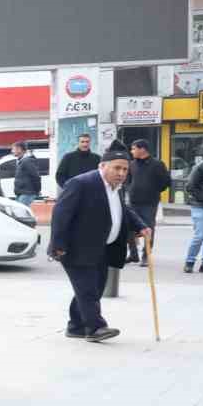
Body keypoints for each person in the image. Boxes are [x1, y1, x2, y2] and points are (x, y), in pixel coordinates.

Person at [50, 146, 149, 342]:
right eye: (117, 168)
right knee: (87, 288)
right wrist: (58, 244)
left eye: (125, 169)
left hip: (102, 248)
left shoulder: (116, 187)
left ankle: (76, 326)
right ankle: (96, 328)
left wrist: (141, 226)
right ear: (102, 166)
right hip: (75, 248)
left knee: (94, 288)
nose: (121, 173)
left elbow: (124, 210)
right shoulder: (81, 183)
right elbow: (60, 214)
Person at [123, 139, 169, 264]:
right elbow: (127, 181)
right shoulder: (132, 164)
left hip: (149, 202)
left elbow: (165, 182)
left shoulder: (157, 164)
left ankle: (146, 256)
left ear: (142, 149)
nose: (132, 151)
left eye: (133, 148)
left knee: (148, 228)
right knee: (128, 229)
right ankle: (133, 254)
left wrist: (153, 190)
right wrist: (131, 189)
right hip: (133, 202)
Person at [185, 156, 203, 273]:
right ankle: (189, 261)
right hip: (200, 205)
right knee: (200, 235)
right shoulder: (201, 167)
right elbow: (189, 187)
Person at [11, 141, 42, 206]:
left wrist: (37, 190)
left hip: (27, 193)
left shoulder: (27, 161)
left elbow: (35, 176)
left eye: (13, 149)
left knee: (20, 212)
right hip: (22, 193)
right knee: (21, 213)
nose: (12, 151)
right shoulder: (21, 161)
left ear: (19, 149)